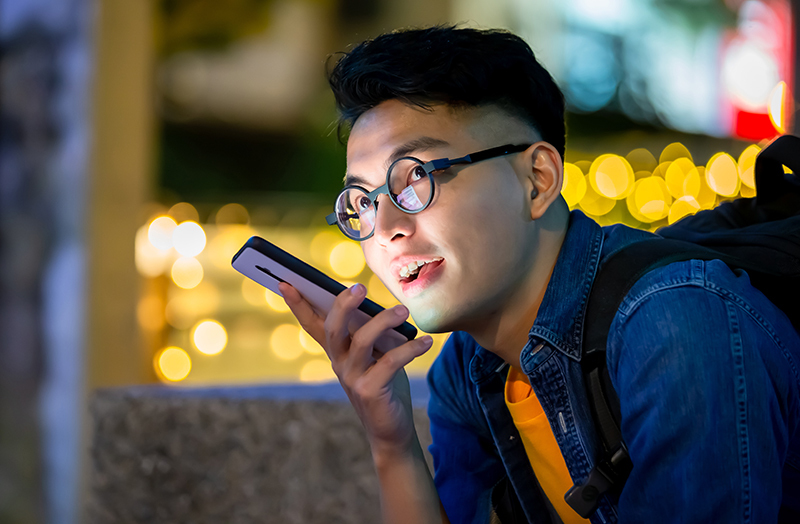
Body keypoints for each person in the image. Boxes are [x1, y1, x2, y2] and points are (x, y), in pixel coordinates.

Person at [278, 25, 800, 524]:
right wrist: (392, 445)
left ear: (537, 179)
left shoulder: (676, 323)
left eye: (415, 176)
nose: (386, 227)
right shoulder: (466, 366)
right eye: (362, 201)